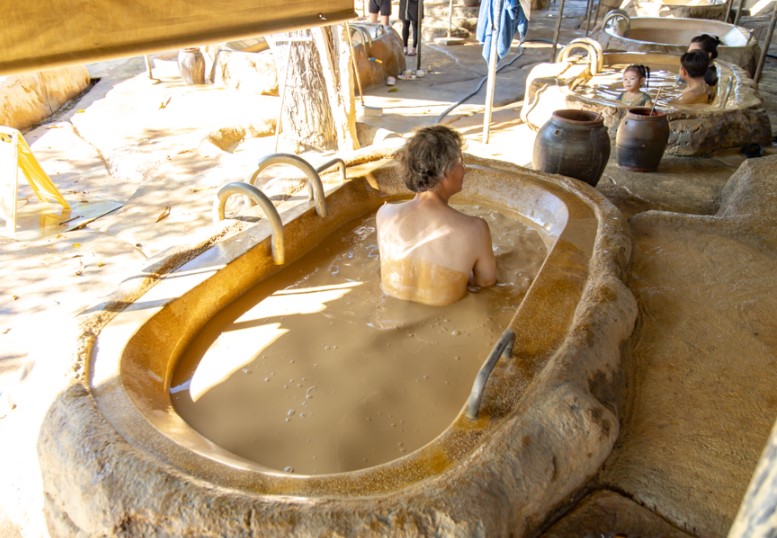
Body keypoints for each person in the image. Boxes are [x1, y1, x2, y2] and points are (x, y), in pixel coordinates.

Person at [376, 126, 497, 306]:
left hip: (391, 304)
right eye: (460, 162)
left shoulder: (384, 214)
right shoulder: (475, 229)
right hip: (450, 313)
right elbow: (486, 283)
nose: (464, 169)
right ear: (445, 172)